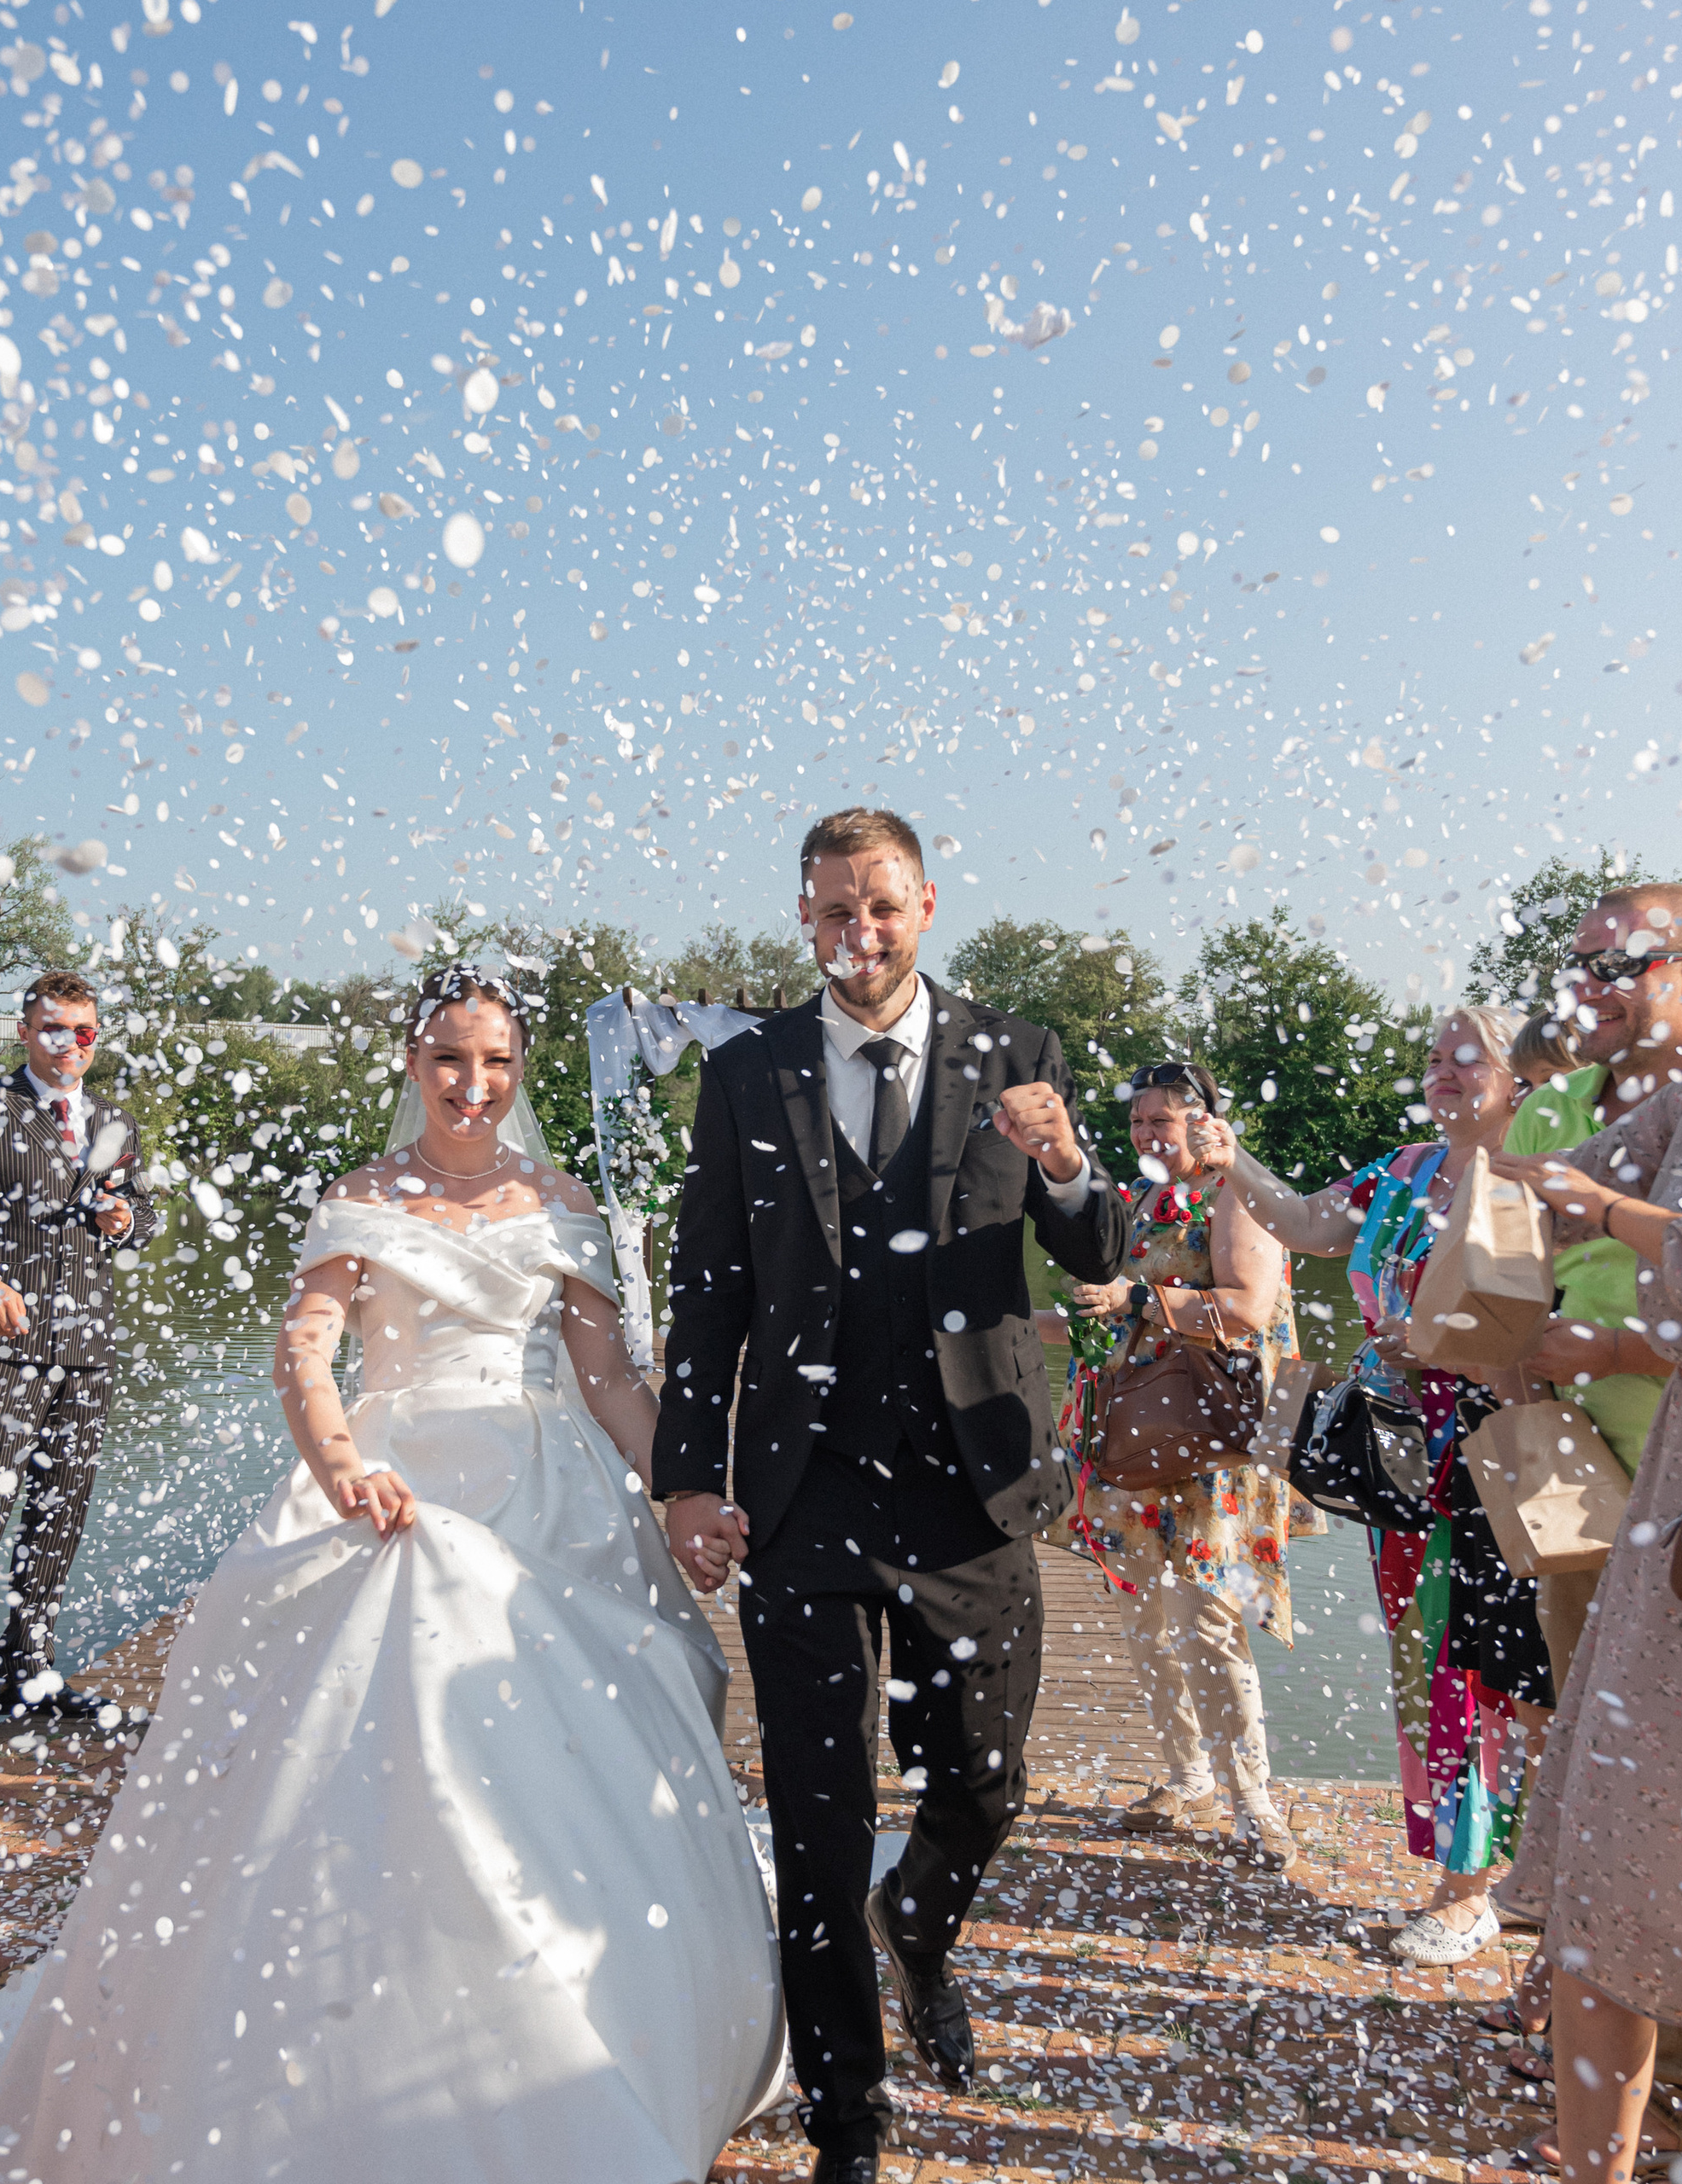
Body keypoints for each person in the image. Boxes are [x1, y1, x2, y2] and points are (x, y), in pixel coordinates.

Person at [0, 965, 783, 2182]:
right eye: (451, 1058)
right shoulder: (361, 1196)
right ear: (412, 1062)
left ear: (519, 1072)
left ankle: (588, 2026)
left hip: (554, 1496)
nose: (474, 1083)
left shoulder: (561, 1201)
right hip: (397, 1484)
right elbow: (307, 1345)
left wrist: (681, 1494)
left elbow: (605, 1383)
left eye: (496, 1062)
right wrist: (339, 1463)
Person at [655, 808, 1128, 2184]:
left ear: (927, 904)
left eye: (882, 909)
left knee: (983, 1784)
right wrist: (689, 1476)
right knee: (815, 1818)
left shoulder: (1014, 1053)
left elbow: (1095, 1248)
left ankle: (917, 1920)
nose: (857, 936)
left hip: (969, 1493)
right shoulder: (748, 1073)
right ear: (804, 918)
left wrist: (1062, 1163)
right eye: (831, 913)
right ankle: (845, 2116)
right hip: (799, 1500)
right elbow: (708, 1292)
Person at [1492, 862, 1682, 2184]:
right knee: (1617, 1844)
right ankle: (1608, 2157)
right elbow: (1546, 1179)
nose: (1588, 992)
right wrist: (1504, 1152)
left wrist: (1613, 1228)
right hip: (1678, 1494)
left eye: (1618, 968)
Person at [1189, 1006, 1555, 1966]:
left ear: (1519, 1077)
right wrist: (1232, 1161)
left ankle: (1510, 1881)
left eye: (1466, 1058)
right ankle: (1473, 1880)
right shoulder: (1403, 1170)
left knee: (1512, 1675)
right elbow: (1307, 1225)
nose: (1442, 1072)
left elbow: (1566, 1315)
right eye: (1433, 1058)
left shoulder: (1544, 1178)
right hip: (1401, 1469)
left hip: (1502, 1459)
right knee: (1428, 1664)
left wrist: (1438, 1340)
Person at [1037, 1060, 1321, 1870]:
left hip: (1212, 1445)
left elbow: (1245, 1309)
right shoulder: (1139, 1202)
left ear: (1206, 1123)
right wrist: (1017, 1324)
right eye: (1137, 1122)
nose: (1147, 1135)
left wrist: (1132, 1300)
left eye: (1164, 1121)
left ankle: (1253, 1802)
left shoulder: (1242, 1195)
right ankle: (1187, 1777)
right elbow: (1110, 1319)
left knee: (1208, 1621)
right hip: (1132, 1440)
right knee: (1145, 1621)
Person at [0, 968, 160, 1751]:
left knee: (58, 1517)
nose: (69, 1044)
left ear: (96, 1037)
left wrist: (125, 1218)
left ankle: (28, 1680)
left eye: (83, 1031)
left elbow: (144, 1214)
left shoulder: (114, 1121)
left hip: (87, 1347)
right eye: (53, 1028)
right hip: (0, 1345)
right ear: (25, 1031)